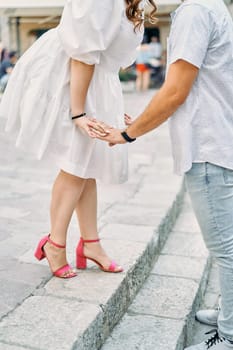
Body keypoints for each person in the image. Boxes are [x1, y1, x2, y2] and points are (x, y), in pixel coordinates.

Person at [93, 0, 233, 348]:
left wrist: (127, 134)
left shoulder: (194, 12)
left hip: (208, 147)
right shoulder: (210, 6)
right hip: (216, 140)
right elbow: (188, 86)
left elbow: (175, 91)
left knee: (226, 248)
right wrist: (141, 118)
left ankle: (229, 336)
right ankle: (229, 313)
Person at [0, 0, 157, 279]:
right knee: (75, 164)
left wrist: (109, 106)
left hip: (96, 80)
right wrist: (78, 112)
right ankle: (55, 244)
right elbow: (83, 52)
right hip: (70, 79)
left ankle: (90, 244)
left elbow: (106, 57)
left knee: (88, 166)